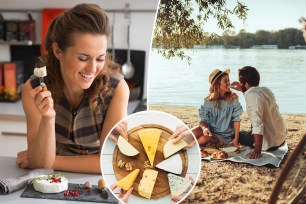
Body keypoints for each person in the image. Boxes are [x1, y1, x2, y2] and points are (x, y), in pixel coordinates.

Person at [16, 3, 130, 174]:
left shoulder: (117, 89)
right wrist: (48, 118)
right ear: (58, 51)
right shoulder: (35, 89)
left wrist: (48, 159)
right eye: (83, 58)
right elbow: (39, 164)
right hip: (49, 180)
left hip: (95, 184)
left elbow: (110, 161)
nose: (92, 69)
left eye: (100, 58)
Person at [231, 66, 287, 159]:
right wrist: (241, 88)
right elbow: (251, 91)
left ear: (247, 84)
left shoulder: (252, 97)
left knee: (236, 134)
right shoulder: (266, 90)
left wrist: (257, 151)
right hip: (280, 138)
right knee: (247, 130)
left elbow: (257, 125)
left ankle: (255, 145)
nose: (239, 84)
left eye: (240, 82)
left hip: (270, 144)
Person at [193, 69, 243, 148]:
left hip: (224, 136)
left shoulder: (233, 98)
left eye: (228, 80)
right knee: (193, 132)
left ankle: (187, 149)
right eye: (225, 81)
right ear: (217, 85)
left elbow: (236, 120)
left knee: (203, 139)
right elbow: (203, 118)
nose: (228, 83)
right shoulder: (209, 100)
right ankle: (178, 146)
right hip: (210, 130)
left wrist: (236, 139)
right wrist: (205, 128)